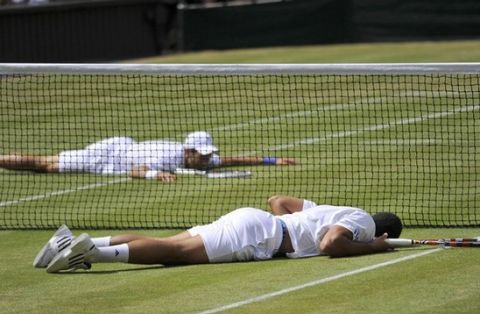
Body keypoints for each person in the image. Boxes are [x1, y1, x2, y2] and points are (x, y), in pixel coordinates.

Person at [34, 195, 403, 273]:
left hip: (253, 220)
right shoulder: (364, 224)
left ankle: (72, 242)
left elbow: (279, 201)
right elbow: (332, 244)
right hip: (258, 236)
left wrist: (291, 231)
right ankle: (91, 255)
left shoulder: (332, 209)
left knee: (171, 244)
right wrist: (375, 245)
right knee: (171, 253)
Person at [0, 131, 297, 182]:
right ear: (189, 151)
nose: (208, 160)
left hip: (123, 151)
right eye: (204, 155)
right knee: (44, 164)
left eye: (209, 155)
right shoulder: (167, 155)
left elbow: (232, 160)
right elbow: (135, 171)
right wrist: (156, 174)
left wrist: (272, 160)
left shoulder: (197, 159)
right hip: (111, 155)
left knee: (47, 168)